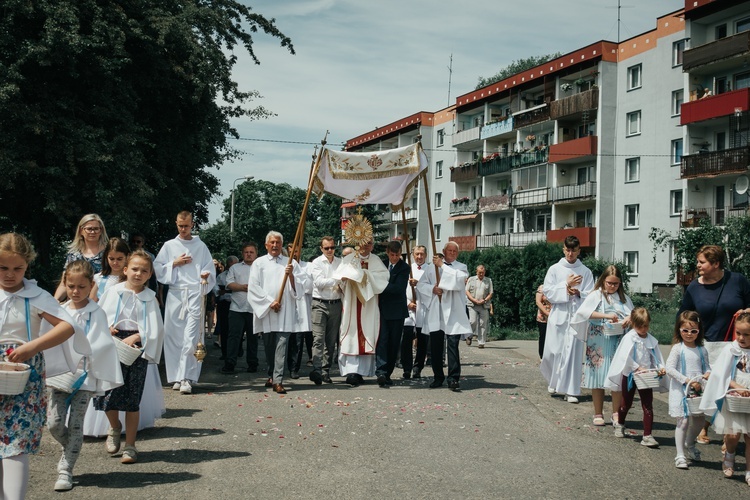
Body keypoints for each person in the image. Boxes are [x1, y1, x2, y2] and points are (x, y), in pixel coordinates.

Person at [1, 233, 85, 500]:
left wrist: (33, 346)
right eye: (3, 267)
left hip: (22, 374)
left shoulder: (36, 295)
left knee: (16, 442)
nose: (10, 274)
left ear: (27, 266)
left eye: (18, 268)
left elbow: (68, 326)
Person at [46, 260, 122, 491]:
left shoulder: (96, 312)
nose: (76, 291)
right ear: (65, 285)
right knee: (54, 422)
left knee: (76, 424)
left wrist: (86, 353)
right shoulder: (59, 311)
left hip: (84, 377)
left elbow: (102, 342)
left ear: (91, 285)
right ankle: (70, 446)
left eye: (81, 287)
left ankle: (65, 469)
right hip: (60, 375)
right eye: (71, 286)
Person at [94, 250, 164, 464]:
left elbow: (156, 328)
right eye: (134, 269)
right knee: (108, 394)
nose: (138, 274)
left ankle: (131, 446)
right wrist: (108, 328)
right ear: (125, 270)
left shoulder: (150, 298)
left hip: (136, 348)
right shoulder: (114, 292)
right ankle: (115, 426)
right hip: (111, 345)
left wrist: (138, 336)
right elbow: (99, 316)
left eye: (144, 271)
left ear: (150, 274)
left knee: (132, 398)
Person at [678, 244, 750, 444]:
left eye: (702, 262)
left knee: (734, 388)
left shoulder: (737, 280)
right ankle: (704, 427)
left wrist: (746, 312)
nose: (698, 265)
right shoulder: (694, 286)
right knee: (709, 387)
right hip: (708, 346)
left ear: (716, 263)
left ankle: (730, 435)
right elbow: (684, 314)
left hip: (737, 346)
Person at [154, 211, 216, 394]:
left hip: (195, 293)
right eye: (180, 225)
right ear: (176, 223)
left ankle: (187, 377)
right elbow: (157, 269)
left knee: (191, 336)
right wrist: (174, 263)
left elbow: (209, 269)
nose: (183, 229)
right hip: (175, 294)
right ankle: (175, 376)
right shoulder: (169, 245)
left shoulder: (200, 246)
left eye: (186, 226)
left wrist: (206, 275)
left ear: (192, 224)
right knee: (173, 336)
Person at [246, 231, 310, 394]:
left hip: (285, 312)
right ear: (266, 245)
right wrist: (270, 302)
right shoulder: (259, 263)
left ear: (282, 245)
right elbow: (254, 287)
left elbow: (302, 288)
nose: (275, 245)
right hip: (267, 311)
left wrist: (291, 277)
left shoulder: (290, 263)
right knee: (269, 347)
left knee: (282, 345)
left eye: (278, 243)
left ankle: (278, 380)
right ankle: (271, 374)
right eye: (272, 243)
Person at [569, 265, 632, 426]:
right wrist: (606, 315)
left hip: (617, 340)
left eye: (616, 284)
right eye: (609, 283)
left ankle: (616, 412)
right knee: (597, 376)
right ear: (603, 281)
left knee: (616, 377)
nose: (612, 286)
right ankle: (598, 412)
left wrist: (627, 320)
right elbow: (584, 313)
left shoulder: (622, 298)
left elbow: (632, 314)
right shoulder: (596, 295)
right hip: (598, 339)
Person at [540, 235, 594, 404]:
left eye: (574, 250)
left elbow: (591, 294)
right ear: (564, 249)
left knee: (573, 353)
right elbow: (547, 292)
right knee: (553, 352)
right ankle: (554, 381)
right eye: (568, 250)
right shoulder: (555, 269)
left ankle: (571, 390)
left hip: (576, 315)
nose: (571, 254)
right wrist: (565, 286)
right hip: (559, 314)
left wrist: (578, 293)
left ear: (579, 251)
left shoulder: (585, 271)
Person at [700, 312, 750, 484]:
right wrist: (737, 387)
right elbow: (721, 374)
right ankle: (730, 454)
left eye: (746, 334)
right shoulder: (731, 349)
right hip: (734, 397)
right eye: (739, 333)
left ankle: (749, 469)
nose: (741, 338)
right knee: (733, 434)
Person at [606, 307, 666, 448]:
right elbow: (625, 357)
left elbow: (656, 357)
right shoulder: (630, 338)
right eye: (640, 326)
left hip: (646, 377)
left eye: (646, 326)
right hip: (631, 376)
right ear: (633, 324)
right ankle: (620, 423)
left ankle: (647, 435)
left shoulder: (651, 340)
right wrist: (637, 367)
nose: (643, 329)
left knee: (647, 405)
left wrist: (660, 368)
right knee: (626, 403)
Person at [417, 241, 472, 391]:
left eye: (455, 251)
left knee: (453, 345)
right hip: (437, 311)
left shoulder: (461, 267)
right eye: (450, 251)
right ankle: (438, 376)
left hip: (453, 313)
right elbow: (421, 285)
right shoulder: (430, 268)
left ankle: (453, 378)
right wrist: (432, 289)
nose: (452, 253)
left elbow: (459, 281)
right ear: (444, 251)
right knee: (435, 346)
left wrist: (442, 266)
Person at [336, 239, 389, 386]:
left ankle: (363, 372)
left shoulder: (376, 260)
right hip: (352, 302)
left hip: (369, 304)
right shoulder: (349, 259)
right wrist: (346, 279)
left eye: (370, 243)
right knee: (351, 334)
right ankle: (352, 372)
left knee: (367, 334)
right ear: (357, 243)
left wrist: (364, 274)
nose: (366, 246)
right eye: (364, 242)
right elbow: (339, 278)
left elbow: (384, 278)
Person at [666, 311, 711, 470]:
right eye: (685, 330)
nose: (689, 334)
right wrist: (687, 380)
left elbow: (707, 367)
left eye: (694, 331)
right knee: (683, 420)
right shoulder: (678, 349)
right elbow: (669, 369)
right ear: (679, 329)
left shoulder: (702, 350)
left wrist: (707, 374)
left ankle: (689, 443)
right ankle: (680, 454)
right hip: (681, 388)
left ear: (699, 331)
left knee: (699, 420)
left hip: (697, 390)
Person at [309, 236, 342, 385]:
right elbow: (319, 283)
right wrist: (338, 279)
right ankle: (316, 369)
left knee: (330, 340)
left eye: (332, 247)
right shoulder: (316, 263)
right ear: (321, 249)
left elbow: (344, 283)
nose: (330, 250)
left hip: (335, 303)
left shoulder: (340, 262)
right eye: (327, 248)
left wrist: (339, 281)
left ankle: (325, 371)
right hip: (319, 303)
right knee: (318, 338)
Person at [376, 241, 409, 387]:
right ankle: (381, 372)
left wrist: (379, 285)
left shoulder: (404, 267)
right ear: (387, 253)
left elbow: (399, 288)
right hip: (382, 309)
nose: (395, 258)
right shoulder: (381, 264)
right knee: (382, 341)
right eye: (392, 255)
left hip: (397, 311)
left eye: (397, 255)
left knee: (394, 343)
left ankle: (388, 373)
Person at [54, 214, 109, 301]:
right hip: (76, 302)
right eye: (89, 229)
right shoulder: (73, 255)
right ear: (81, 231)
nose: (93, 232)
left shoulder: (109, 253)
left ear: (101, 231)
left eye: (96, 229)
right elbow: (64, 283)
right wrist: (55, 301)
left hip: (102, 301)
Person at [223, 245, 257, 373]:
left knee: (253, 338)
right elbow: (229, 284)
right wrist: (243, 287)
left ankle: (253, 364)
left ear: (256, 254)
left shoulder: (260, 267)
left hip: (254, 308)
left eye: (251, 252)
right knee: (233, 337)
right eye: (246, 252)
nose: (249, 254)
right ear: (242, 254)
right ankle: (230, 363)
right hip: (237, 308)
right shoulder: (234, 268)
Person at [402, 245, 429, 379]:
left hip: (423, 307)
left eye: (422, 254)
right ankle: (407, 367)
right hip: (408, 308)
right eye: (417, 254)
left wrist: (418, 284)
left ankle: (417, 367)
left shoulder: (430, 270)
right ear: (413, 255)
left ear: (426, 255)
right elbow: (401, 289)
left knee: (422, 340)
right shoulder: (407, 269)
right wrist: (408, 303)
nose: (419, 257)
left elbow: (432, 289)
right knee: (406, 339)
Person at [287, 243, 313, 380]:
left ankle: (294, 368)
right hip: (287, 307)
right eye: (291, 252)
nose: (294, 254)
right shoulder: (283, 266)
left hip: (302, 307)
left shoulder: (307, 266)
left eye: (296, 251)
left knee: (298, 340)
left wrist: (296, 272)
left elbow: (309, 287)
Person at [215, 255, 238, 361]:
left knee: (236, 330)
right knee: (224, 329)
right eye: (233, 264)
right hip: (224, 304)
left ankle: (236, 351)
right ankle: (225, 352)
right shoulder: (221, 276)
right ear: (228, 264)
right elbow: (216, 288)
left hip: (237, 303)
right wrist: (221, 291)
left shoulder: (240, 274)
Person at [465, 264, 493, 348]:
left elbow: (491, 293)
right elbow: (467, 291)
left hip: (484, 305)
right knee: (472, 321)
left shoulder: (488, 280)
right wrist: (474, 300)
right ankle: (469, 336)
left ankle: (481, 342)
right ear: (476, 272)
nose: (481, 274)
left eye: (483, 272)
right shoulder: (471, 279)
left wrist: (484, 300)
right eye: (480, 272)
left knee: (483, 323)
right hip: (472, 304)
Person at [535, 284, 551, 359]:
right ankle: (542, 355)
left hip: (555, 316)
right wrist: (546, 313)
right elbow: (538, 302)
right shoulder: (542, 288)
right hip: (543, 317)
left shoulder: (558, 287)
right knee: (543, 336)